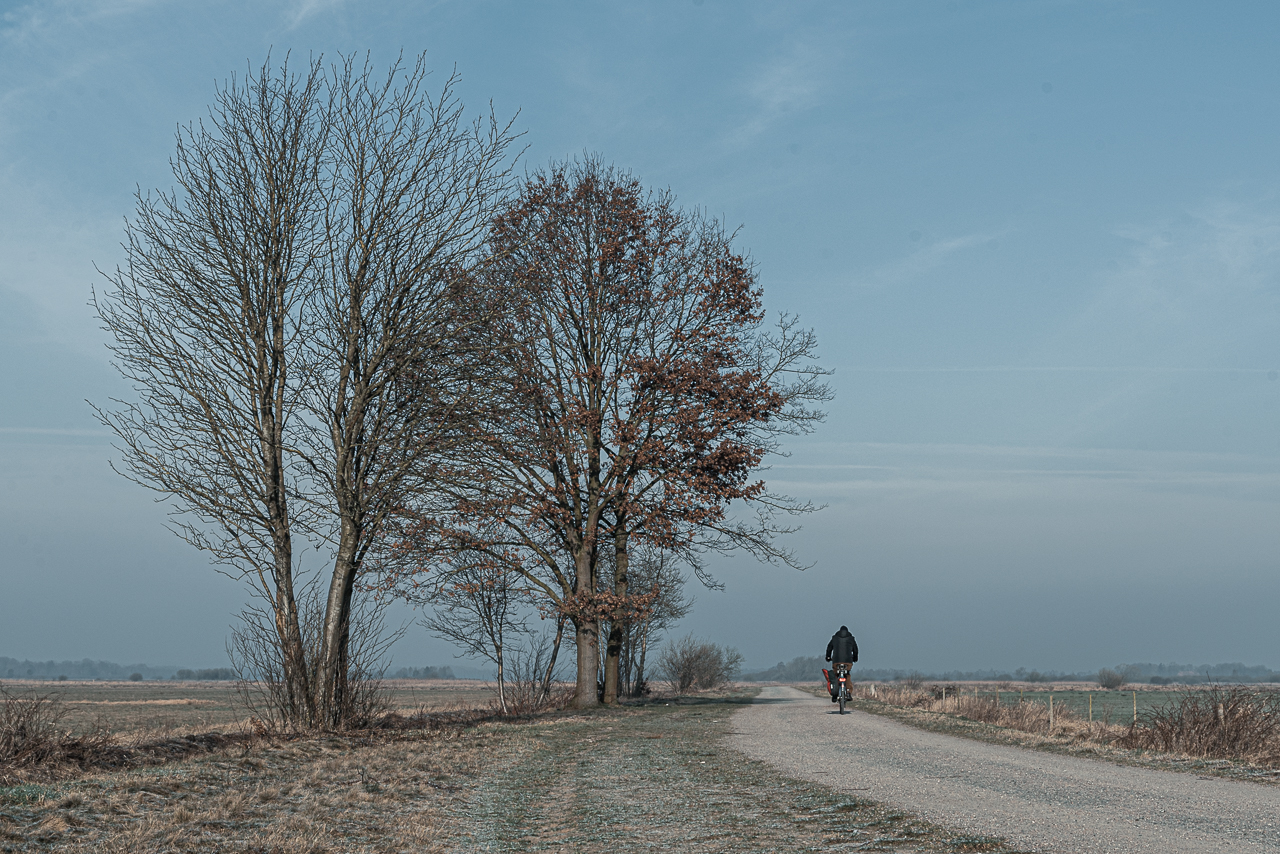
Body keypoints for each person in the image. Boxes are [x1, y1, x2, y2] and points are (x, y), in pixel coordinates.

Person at [824, 625, 858, 702]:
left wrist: (828, 657)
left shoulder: (834, 638)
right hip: (848, 662)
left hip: (836, 661)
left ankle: (834, 694)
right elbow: (855, 650)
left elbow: (829, 648)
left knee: (835, 676)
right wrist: (855, 658)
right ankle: (848, 692)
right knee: (847, 675)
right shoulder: (851, 639)